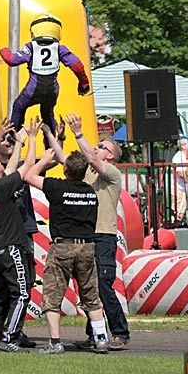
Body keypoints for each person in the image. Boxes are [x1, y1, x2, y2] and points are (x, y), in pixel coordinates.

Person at [46, 112, 130, 351]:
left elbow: (91, 158)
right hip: (88, 238)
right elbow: (64, 159)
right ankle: (95, 334)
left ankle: (120, 332)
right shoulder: (89, 173)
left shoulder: (112, 174)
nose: (96, 147)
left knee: (103, 286)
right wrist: (51, 134)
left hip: (104, 236)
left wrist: (79, 132)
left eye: (102, 146)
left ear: (110, 155)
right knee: (89, 288)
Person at [24, 149, 110, 354]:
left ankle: (55, 342)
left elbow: (28, 176)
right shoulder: (90, 192)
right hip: (87, 246)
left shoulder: (57, 187)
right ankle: (101, 339)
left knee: (52, 295)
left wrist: (45, 160)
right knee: (91, 295)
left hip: (63, 246)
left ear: (65, 170)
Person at [0, 120, 39, 353]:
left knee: (1, 295)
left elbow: (8, 166)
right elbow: (27, 165)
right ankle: (10, 338)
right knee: (21, 294)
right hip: (12, 247)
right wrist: (31, 138)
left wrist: (12, 140)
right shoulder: (1, 186)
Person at [0, 14, 90, 133]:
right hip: (52, 90)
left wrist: (4, 50)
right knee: (47, 113)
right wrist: (84, 84)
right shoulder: (60, 48)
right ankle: (51, 141)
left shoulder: (31, 47)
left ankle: (13, 136)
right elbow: (77, 66)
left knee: (18, 107)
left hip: (32, 90)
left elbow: (12, 60)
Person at [171, 137, 188, 222]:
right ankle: (175, 222)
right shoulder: (178, 156)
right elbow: (180, 171)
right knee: (177, 206)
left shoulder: (186, 156)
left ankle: (178, 220)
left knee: (182, 206)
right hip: (178, 187)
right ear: (183, 146)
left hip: (183, 186)